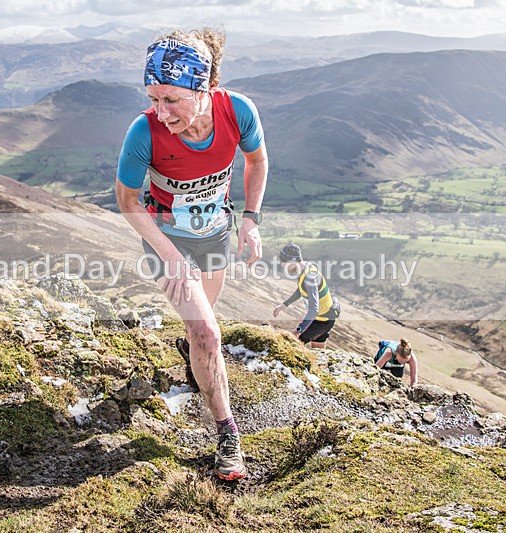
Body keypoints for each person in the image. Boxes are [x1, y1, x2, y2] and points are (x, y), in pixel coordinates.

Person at [114, 27, 268, 481]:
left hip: (215, 231)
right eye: (153, 98)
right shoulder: (143, 132)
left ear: (206, 89)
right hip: (166, 237)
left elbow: (257, 161)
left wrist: (251, 218)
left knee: (201, 328)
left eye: (172, 100)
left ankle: (191, 350)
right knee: (209, 333)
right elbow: (127, 201)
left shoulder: (238, 111)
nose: (160, 113)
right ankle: (227, 435)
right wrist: (170, 255)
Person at [273, 244, 341, 349]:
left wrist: (299, 330)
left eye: (284, 262)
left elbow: (314, 309)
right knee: (318, 353)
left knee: (292, 345)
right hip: (322, 318)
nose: (282, 265)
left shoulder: (310, 277)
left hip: (321, 321)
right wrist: (284, 304)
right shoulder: (305, 267)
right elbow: (302, 289)